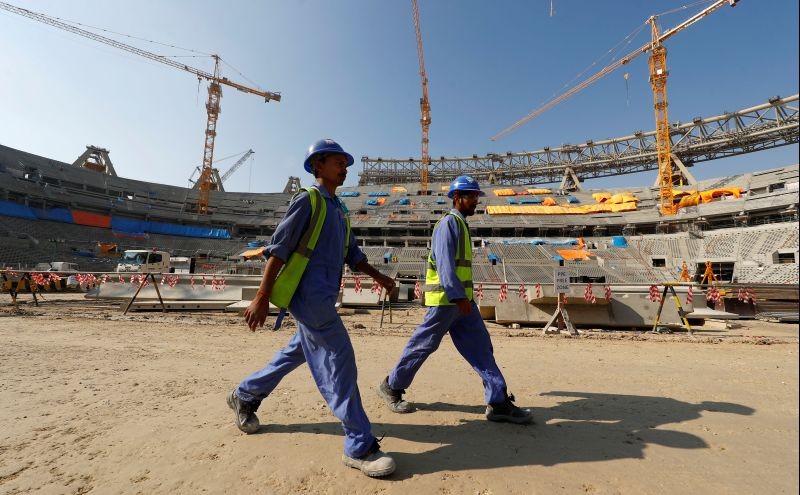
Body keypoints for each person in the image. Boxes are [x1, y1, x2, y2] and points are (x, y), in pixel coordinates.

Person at [227, 138, 397, 478]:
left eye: (346, 163)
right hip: (308, 297)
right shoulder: (308, 201)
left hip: (322, 297)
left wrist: (382, 278)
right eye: (338, 162)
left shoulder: (340, 210)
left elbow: (354, 256)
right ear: (318, 165)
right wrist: (262, 296)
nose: (345, 168)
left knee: (296, 351)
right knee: (340, 360)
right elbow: (279, 249)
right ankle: (359, 445)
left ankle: (244, 395)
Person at [377, 175, 534, 425]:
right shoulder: (448, 224)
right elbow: (445, 265)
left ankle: (498, 402)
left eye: (476, 196)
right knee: (422, 345)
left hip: (462, 304)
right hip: (446, 302)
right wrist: (457, 295)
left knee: (482, 349)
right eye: (471, 196)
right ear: (457, 198)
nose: (475, 201)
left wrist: (464, 299)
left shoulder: (460, 225)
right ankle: (391, 386)